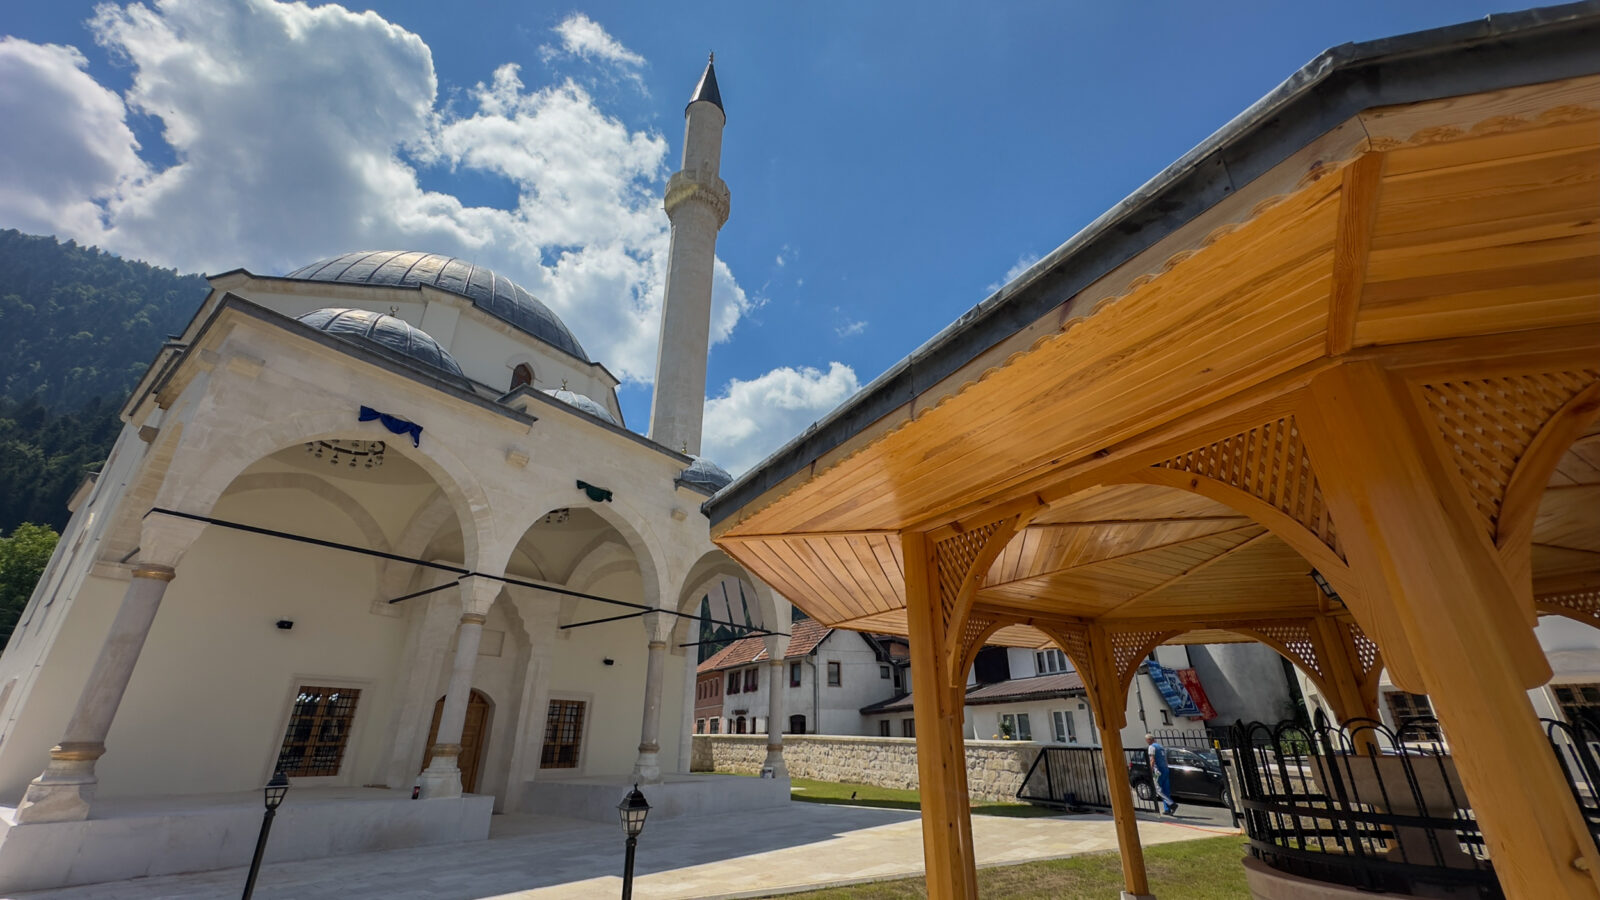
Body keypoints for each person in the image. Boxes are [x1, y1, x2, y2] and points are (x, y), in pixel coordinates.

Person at [1146, 733, 1178, 816]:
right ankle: (1167, 809)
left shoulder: (1151, 747)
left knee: (1158, 789)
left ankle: (1172, 804)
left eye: (1146, 740)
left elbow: (1152, 760)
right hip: (1165, 770)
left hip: (1158, 771)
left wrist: (1150, 770)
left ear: (1149, 740)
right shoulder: (1161, 747)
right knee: (1166, 790)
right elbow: (1165, 759)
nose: (1146, 741)